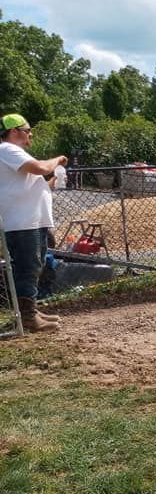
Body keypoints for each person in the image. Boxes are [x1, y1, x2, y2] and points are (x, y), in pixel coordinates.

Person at [0, 113, 66, 332]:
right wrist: (57, 160)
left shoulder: (14, 153)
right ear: (14, 131)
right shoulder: (7, 149)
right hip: (21, 222)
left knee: (34, 266)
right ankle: (27, 317)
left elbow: (30, 180)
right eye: (27, 130)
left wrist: (46, 184)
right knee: (27, 267)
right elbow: (39, 168)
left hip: (30, 220)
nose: (30, 135)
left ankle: (30, 311)